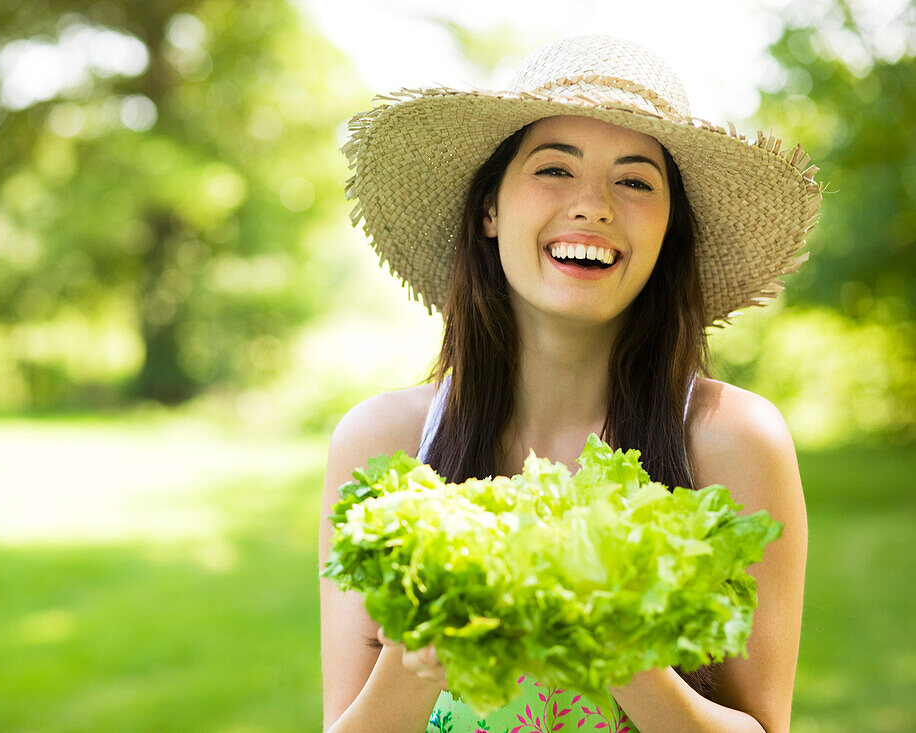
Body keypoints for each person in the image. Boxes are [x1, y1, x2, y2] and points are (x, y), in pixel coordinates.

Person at [319, 35, 820, 733]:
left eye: (636, 180)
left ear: (670, 230)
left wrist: (616, 643)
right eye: (555, 169)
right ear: (490, 209)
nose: (593, 205)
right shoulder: (384, 444)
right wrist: (417, 653)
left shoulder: (733, 440)